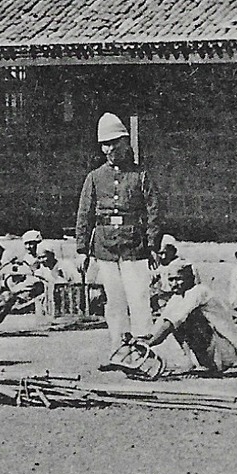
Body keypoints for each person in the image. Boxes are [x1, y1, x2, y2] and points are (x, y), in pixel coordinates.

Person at [76, 112, 161, 366]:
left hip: (134, 246)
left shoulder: (140, 176)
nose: (110, 149)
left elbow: (153, 211)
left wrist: (153, 245)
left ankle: (142, 350)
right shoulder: (94, 177)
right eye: (105, 144)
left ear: (125, 143)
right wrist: (82, 249)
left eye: (114, 142)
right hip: (105, 247)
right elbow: (85, 213)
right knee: (114, 301)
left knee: (138, 297)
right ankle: (118, 350)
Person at [115, 264, 237, 378]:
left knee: (186, 319)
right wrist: (140, 339)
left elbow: (172, 322)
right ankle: (196, 363)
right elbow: (160, 324)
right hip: (214, 348)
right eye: (171, 280)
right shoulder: (177, 298)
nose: (174, 284)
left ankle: (208, 366)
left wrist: (150, 343)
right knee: (174, 321)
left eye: (178, 279)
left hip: (225, 350)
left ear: (191, 278)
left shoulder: (199, 291)